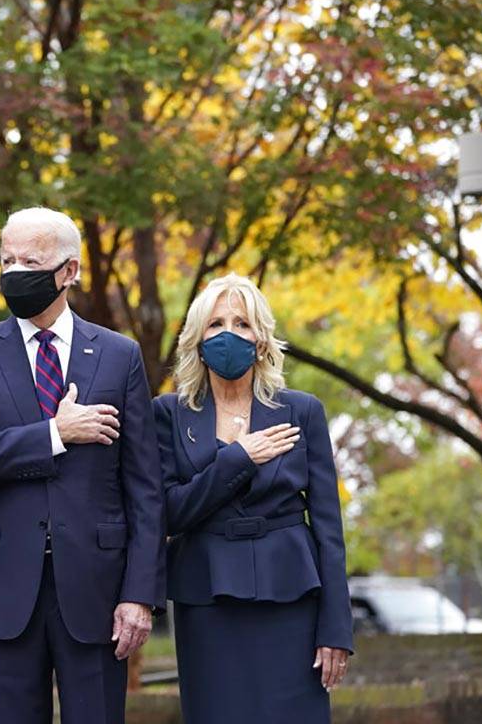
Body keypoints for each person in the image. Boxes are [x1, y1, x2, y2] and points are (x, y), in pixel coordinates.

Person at [0, 207, 165, 724]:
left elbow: (144, 487)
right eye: (7, 259)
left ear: (70, 271)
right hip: (2, 586)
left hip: (97, 589)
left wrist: (139, 595)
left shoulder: (119, 355)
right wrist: (54, 434)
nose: (16, 271)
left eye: (31, 260)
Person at [154, 274, 353, 723]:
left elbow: (328, 528)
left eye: (242, 324)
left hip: (291, 599)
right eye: (216, 324)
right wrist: (237, 459)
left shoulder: (301, 411)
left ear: (261, 339)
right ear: (197, 338)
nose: (229, 334)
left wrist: (336, 627)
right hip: (206, 600)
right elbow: (167, 513)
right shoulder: (168, 414)